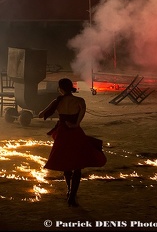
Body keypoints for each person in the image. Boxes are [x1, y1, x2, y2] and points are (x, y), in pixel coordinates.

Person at [38, 78, 107, 207]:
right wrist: (74, 124)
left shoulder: (57, 101)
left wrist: (53, 110)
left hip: (62, 134)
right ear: (71, 87)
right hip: (75, 133)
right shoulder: (80, 101)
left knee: (66, 162)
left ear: (60, 89)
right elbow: (78, 122)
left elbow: (41, 115)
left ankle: (69, 189)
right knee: (77, 164)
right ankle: (72, 195)